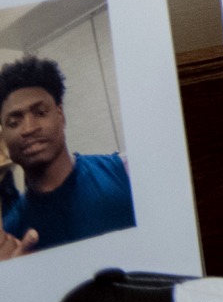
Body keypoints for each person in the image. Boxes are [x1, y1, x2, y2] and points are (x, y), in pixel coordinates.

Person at [0, 57, 136, 255]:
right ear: (4, 136)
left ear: (60, 114)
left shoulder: (127, 172)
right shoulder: (12, 236)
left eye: (40, 112)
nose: (29, 129)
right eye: (14, 122)